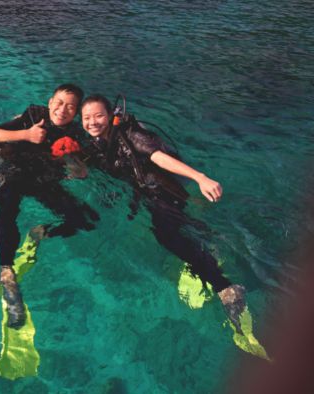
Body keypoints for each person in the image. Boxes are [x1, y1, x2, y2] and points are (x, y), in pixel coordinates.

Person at [78, 94, 246, 332]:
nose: (92, 122)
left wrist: (200, 177)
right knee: (177, 228)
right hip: (149, 195)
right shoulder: (100, 143)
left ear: (111, 116)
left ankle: (226, 289)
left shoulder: (132, 136)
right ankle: (211, 244)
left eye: (98, 116)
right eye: (86, 117)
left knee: (166, 234)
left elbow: (158, 157)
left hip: (163, 191)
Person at [0, 84, 99, 329]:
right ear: (49, 102)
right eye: (58, 102)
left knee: (86, 221)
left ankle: (39, 232)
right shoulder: (34, 115)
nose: (62, 109)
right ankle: (7, 272)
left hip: (42, 180)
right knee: (7, 213)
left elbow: (81, 173)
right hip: (12, 172)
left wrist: (70, 158)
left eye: (70, 106)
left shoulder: (77, 134)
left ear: (76, 112)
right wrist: (25, 135)